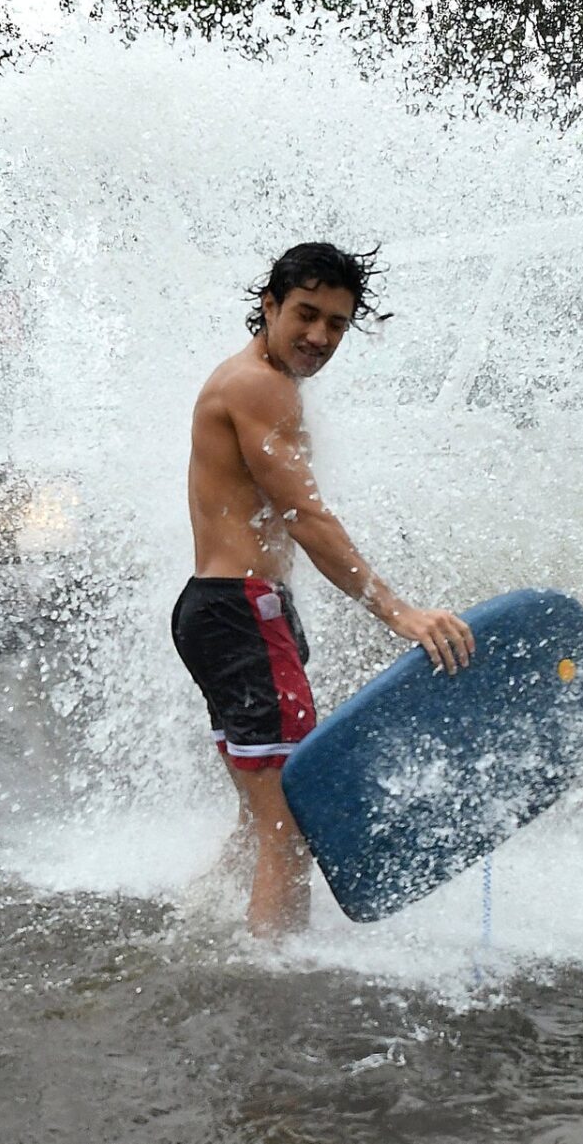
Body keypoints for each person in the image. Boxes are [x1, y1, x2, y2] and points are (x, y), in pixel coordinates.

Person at [171, 241, 477, 938]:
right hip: (241, 614)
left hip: (222, 611)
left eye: (337, 324)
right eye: (306, 314)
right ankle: (274, 986)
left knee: (261, 814)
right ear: (269, 305)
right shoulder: (258, 385)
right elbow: (304, 516)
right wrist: (398, 611)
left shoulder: (252, 380)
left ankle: (197, 928)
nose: (319, 337)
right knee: (291, 822)